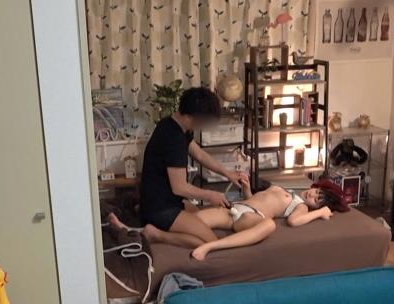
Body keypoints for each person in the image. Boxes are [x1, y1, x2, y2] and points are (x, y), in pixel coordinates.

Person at [138, 87, 248, 249]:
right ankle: (156, 235)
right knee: (214, 243)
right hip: (160, 209)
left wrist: (228, 173)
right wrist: (211, 195)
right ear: (196, 117)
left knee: (200, 217)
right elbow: (179, 187)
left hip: (166, 202)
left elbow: (200, 155)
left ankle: (162, 229)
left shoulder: (174, 125)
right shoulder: (173, 139)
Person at [187, 181, 341, 261]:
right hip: (235, 208)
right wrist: (247, 189)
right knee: (188, 222)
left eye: (316, 200)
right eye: (316, 192)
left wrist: (320, 212)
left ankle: (210, 246)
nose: (312, 195)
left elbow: (294, 221)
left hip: (252, 216)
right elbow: (254, 199)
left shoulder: (301, 206)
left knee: (269, 225)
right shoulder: (290, 191)